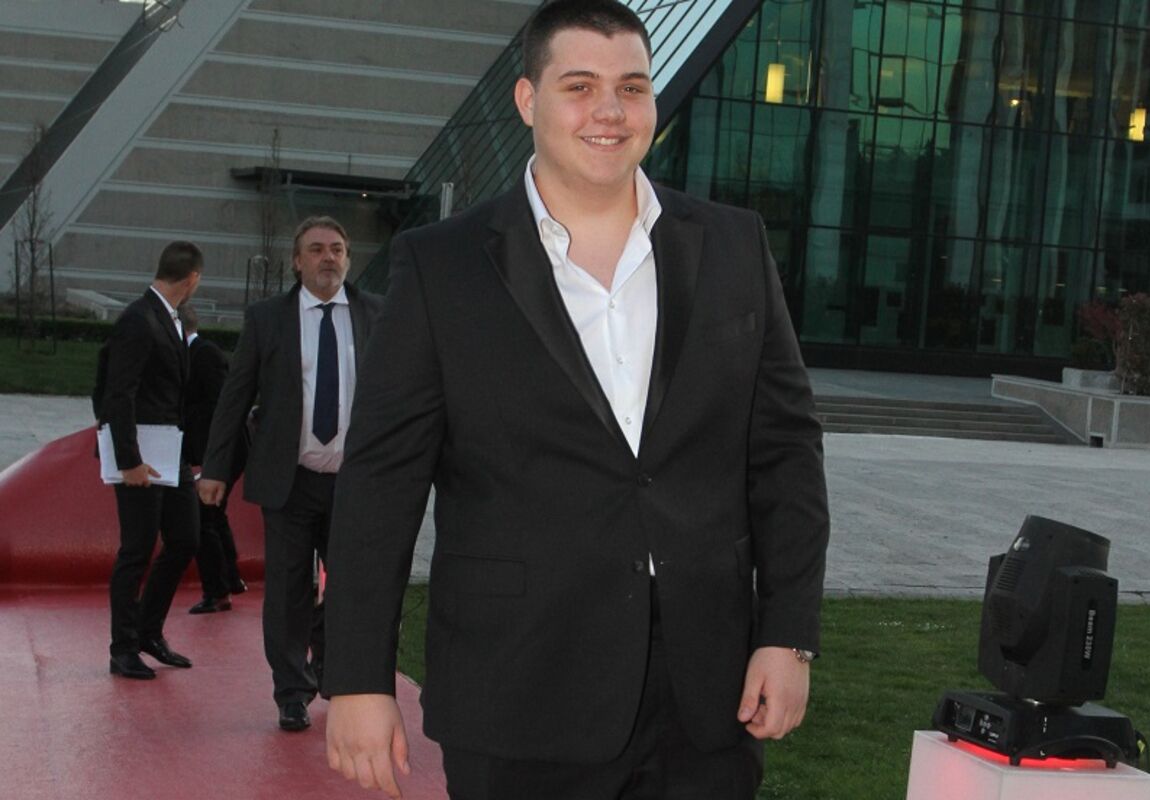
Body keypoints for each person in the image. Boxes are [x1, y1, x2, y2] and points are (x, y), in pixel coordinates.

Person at [322, 1, 831, 797]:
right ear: (528, 100)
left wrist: (789, 635)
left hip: (706, 696)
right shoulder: (440, 267)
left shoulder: (734, 246)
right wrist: (358, 677)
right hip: (518, 689)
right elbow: (380, 485)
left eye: (632, 87)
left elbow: (787, 454)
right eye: (580, 86)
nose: (609, 111)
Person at [198, 216, 383, 732]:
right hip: (290, 480)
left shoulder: (377, 314)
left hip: (355, 483)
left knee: (352, 586)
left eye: (338, 249)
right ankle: (291, 691)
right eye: (317, 249)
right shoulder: (268, 318)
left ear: (349, 259)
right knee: (286, 590)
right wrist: (216, 468)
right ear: (297, 261)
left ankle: (331, 668)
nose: (329, 257)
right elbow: (235, 397)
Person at [99, 240, 205, 680]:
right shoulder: (138, 320)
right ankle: (122, 648)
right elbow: (116, 393)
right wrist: (130, 461)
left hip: (170, 453)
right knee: (137, 549)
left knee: (185, 539)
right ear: (193, 278)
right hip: (140, 457)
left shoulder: (168, 318)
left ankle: (147, 632)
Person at [179, 303, 247, 615]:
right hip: (215, 452)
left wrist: (211, 462)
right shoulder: (197, 354)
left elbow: (224, 408)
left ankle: (218, 591)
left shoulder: (205, 355)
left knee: (203, 517)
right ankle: (229, 580)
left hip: (221, 452)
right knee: (213, 515)